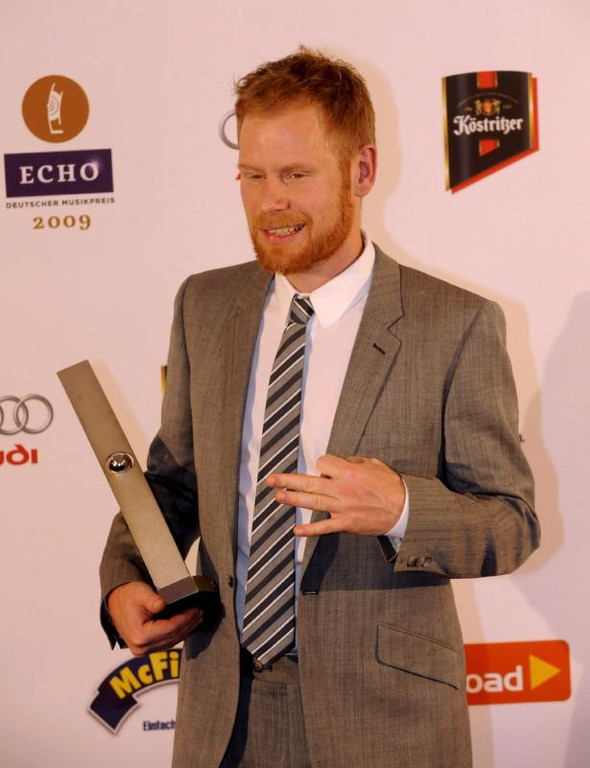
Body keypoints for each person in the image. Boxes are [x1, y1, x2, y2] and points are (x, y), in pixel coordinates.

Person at [100, 48, 539, 768]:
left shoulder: (456, 324)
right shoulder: (203, 305)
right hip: (223, 716)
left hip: (386, 724)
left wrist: (402, 508)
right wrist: (125, 577)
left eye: (296, 175)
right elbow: (174, 483)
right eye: (253, 176)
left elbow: (511, 523)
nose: (270, 202)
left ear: (361, 171)